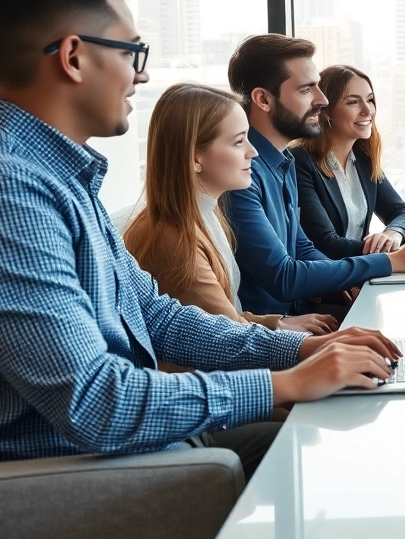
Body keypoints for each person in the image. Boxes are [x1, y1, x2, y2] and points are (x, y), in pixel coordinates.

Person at [0, 0, 403, 478]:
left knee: (337, 424)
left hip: (107, 452)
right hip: (49, 477)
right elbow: (94, 402)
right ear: (74, 57)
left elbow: (156, 316)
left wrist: (302, 349)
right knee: (324, 449)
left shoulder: (55, 176)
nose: (141, 76)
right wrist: (281, 384)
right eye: (132, 53)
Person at [224, 34, 405, 318]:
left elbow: (303, 248)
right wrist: (391, 261)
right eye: (307, 90)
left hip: (304, 313)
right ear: (263, 99)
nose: (322, 100)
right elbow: (284, 276)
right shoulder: (241, 175)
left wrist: (345, 283)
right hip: (273, 330)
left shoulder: (281, 162)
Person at [124, 83, 337, 354]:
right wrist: (318, 348)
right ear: (194, 158)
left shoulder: (206, 214)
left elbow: (222, 318)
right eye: (239, 141)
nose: (253, 152)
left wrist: (278, 324)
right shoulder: (175, 239)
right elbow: (225, 339)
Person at [292, 65, 405, 260]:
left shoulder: (363, 158)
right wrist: (395, 255)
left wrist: (393, 234)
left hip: (360, 277)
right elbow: (325, 243)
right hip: (327, 283)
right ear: (326, 111)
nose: (368, 111)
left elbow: (401, 211)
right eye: (353, 102)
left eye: (370, 100)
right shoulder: (301, 161)